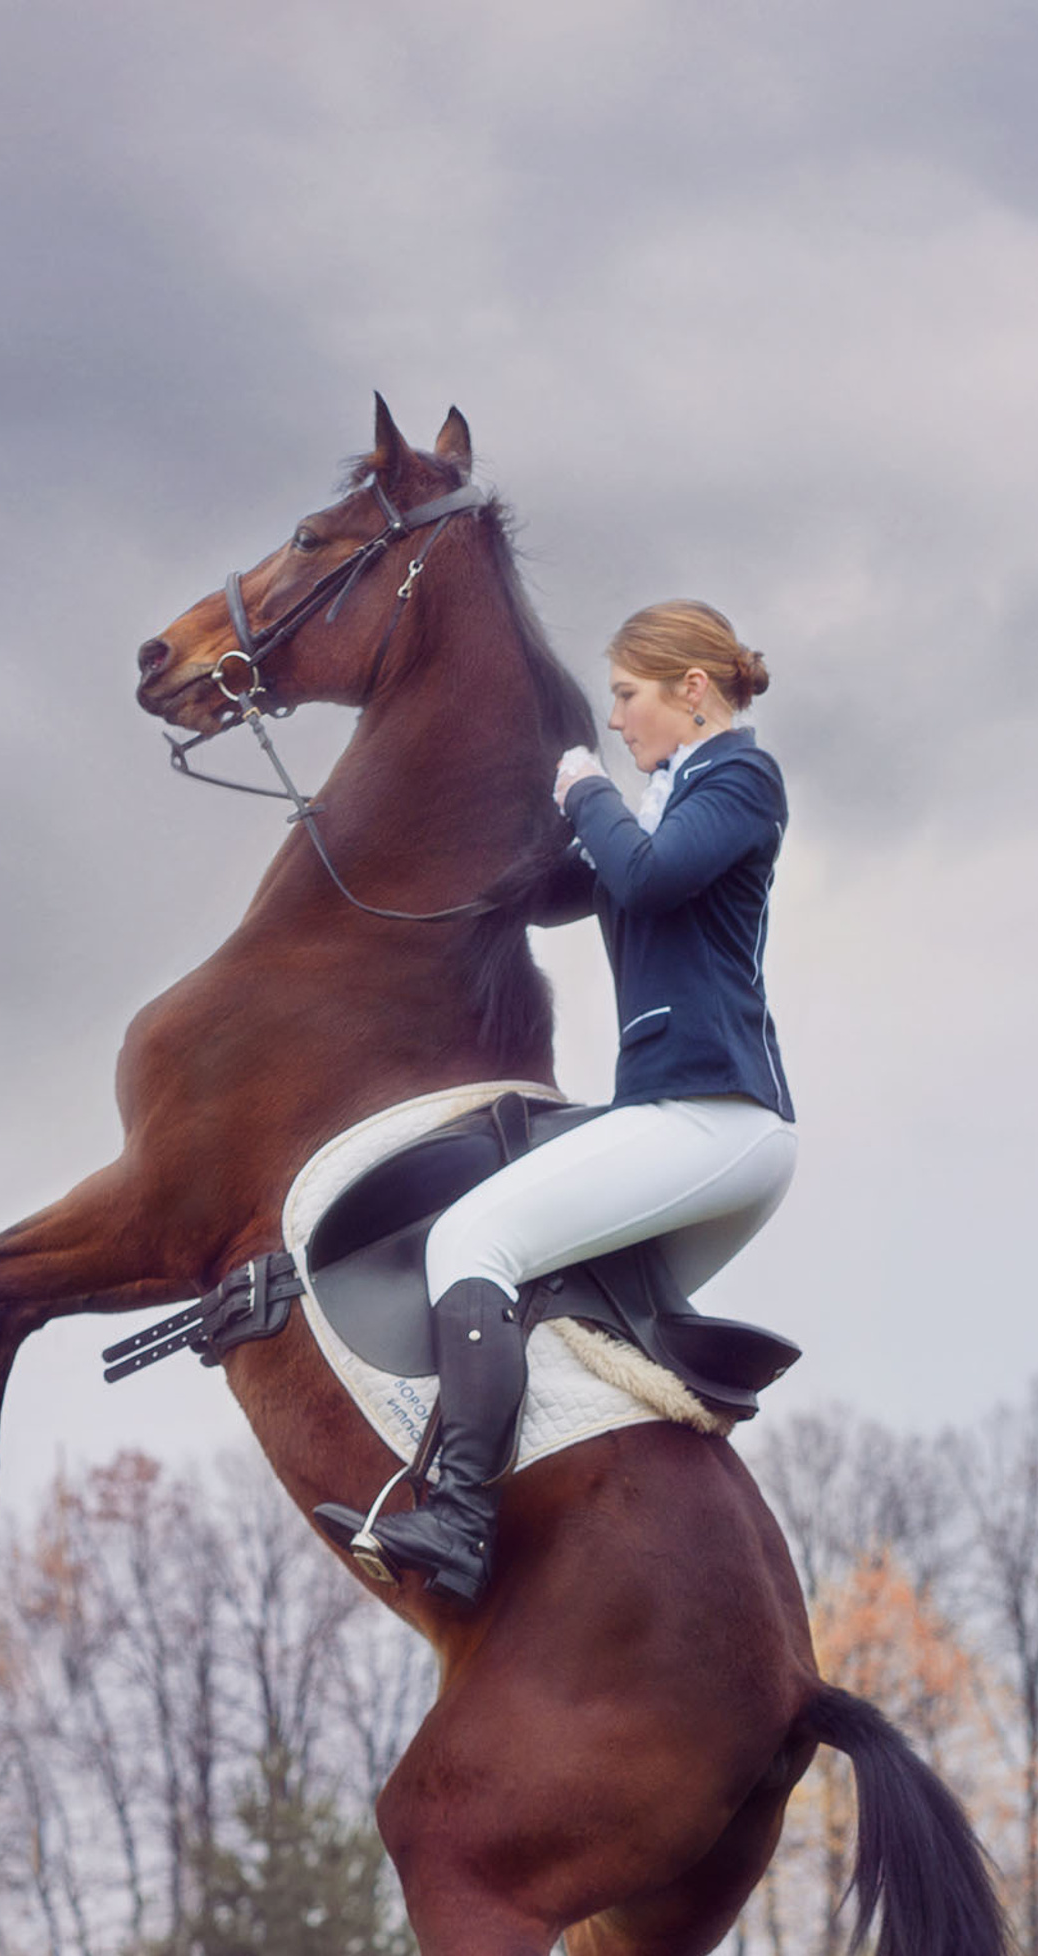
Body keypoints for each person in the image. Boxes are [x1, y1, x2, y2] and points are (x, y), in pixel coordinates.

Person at [315, 599, 798, 1604]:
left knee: (471, 1243)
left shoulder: (737, 778)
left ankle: (457, 1520)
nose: (616, 720)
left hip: (717, 1119)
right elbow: (549, 891)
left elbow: (648, 873)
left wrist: (582, 788)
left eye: (628, 696)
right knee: (531, 1293)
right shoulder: (668, 802)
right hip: (680, 1119)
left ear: (691, 689)